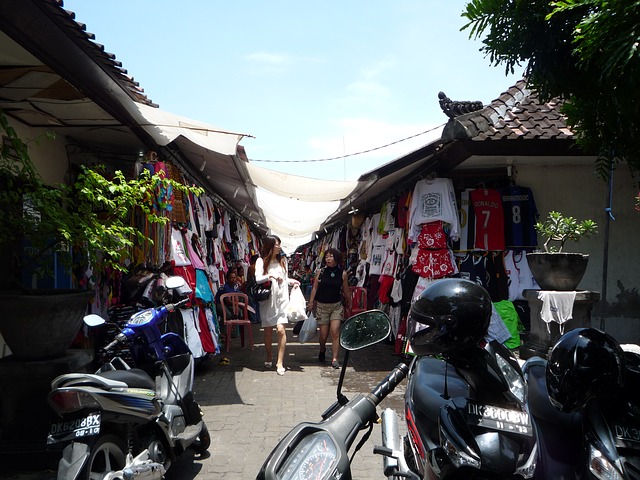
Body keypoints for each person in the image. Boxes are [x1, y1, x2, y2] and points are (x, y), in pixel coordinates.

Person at [255, 235, 300, 375]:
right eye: (276, 244)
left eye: (279, 244)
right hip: (268, 301)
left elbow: (285, 279)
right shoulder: (260, 261)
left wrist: (293, 281)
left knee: (281, 329)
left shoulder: (283, 261)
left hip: (282, 299)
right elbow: (257, 279)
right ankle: (269, 355)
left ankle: (280, 362)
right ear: (269, 246)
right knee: (268, 331)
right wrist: (270, 276)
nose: (279, 247)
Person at [308, 247, 352, 369]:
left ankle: (334, 359)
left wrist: (349, 303)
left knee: (335, 332)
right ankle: (322, 349)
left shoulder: (342, 274)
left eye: (331, 256)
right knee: (323, 335)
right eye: (327, 256)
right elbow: (315, 287)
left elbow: (346, 290)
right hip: (322, 306)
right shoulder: (321, 272)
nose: (328, 258)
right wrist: (311, 302)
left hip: (336, 306)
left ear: (336, 258)